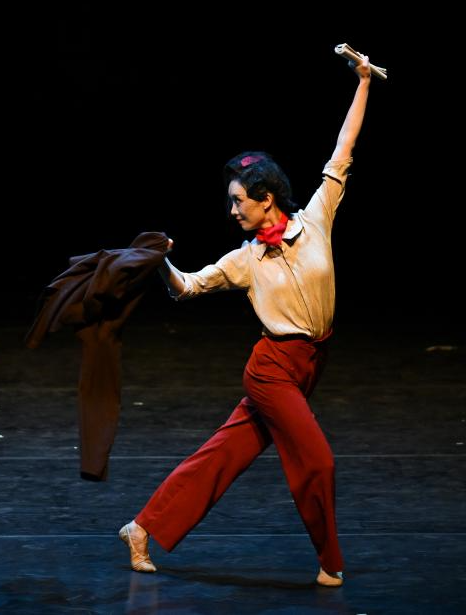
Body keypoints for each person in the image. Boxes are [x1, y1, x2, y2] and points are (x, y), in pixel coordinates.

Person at [118, 55, 374, 586]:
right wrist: (160, 262)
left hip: (311, 362)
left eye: (238, 201)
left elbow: (343, 150)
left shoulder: (316, 219)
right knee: (318, 461)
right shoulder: (246, 260)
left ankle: (142, 528)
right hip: (272, 369)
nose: (232, 210)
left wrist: (364, 82)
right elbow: (188, 286)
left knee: (224, 454)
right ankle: (330, 562)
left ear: (267, 199)